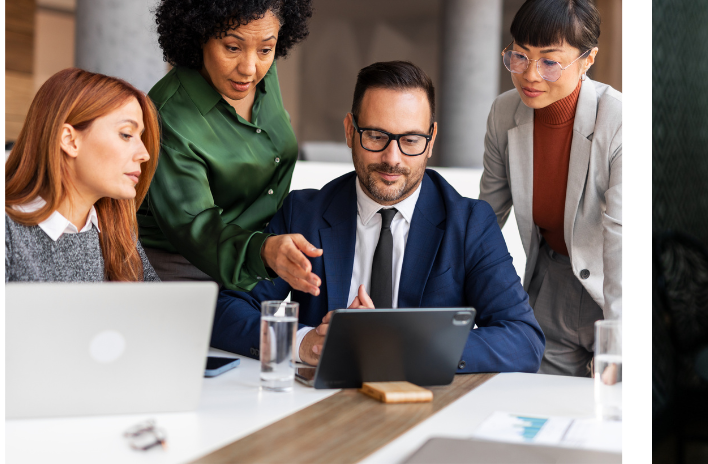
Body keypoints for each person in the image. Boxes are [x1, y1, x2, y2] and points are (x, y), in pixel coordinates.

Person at [210, 61, 543, 374]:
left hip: (423, 405)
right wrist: (303, 343)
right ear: (350, 131)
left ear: (431, 141)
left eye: (411, 140)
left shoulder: (470, 223)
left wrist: (400, 345)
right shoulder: (304, 213)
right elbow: (226, 310)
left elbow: (522, 339)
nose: (392, 158)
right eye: (376, 136)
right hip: (317, 405)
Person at [138, 0, 319, 293]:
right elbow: (197, 228)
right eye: (232, 47)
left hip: (262, 260)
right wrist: (262, 251)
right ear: (199, 36)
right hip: (184, 269)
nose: (249, 69)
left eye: (266, 49)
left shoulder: (263, 75)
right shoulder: (168, 115)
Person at [479, 0, 622, 377]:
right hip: (549, 283)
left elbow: (622, 238)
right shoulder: (504, 113)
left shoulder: (619, 120)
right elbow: (486, 217)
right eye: (520, 55)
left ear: (588, 58)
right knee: (542, 407)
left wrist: (618, 341)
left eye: (549, 62)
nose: (530, 75)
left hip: (617, 289)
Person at [3, 67, 160, 282]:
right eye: (126, 134)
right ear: (69, 140)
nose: (144, 154)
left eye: (140, 137)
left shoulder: (119, 235)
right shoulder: (5, 231)